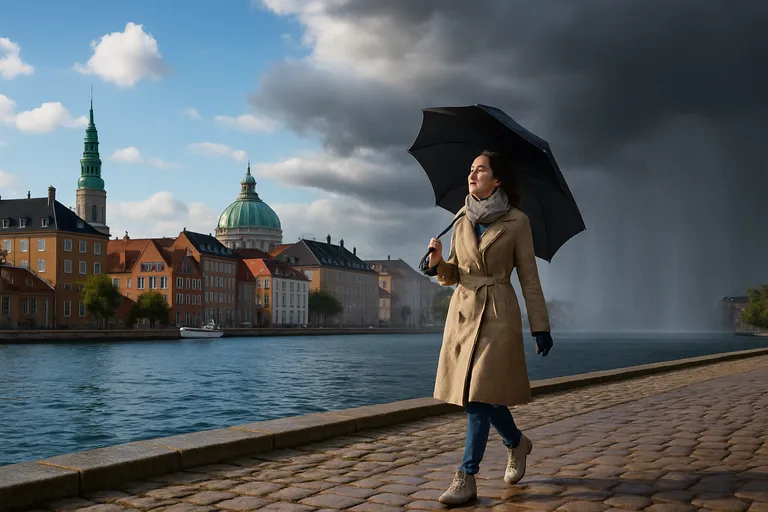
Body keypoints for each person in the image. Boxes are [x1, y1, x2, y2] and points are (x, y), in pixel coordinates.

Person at [426, 150, 554, 506]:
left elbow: (529, 278)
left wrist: (539, 325)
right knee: (478, 397)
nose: (472, 174)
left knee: (479, 396)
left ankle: (467, 476)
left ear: (497, 180)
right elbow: (454, 273)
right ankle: (517, 443)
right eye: (470, 169)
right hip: (465, 314)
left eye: (480, 170)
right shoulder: (461, 217)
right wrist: (437, 264)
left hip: (498, 311)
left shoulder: (517, 222)